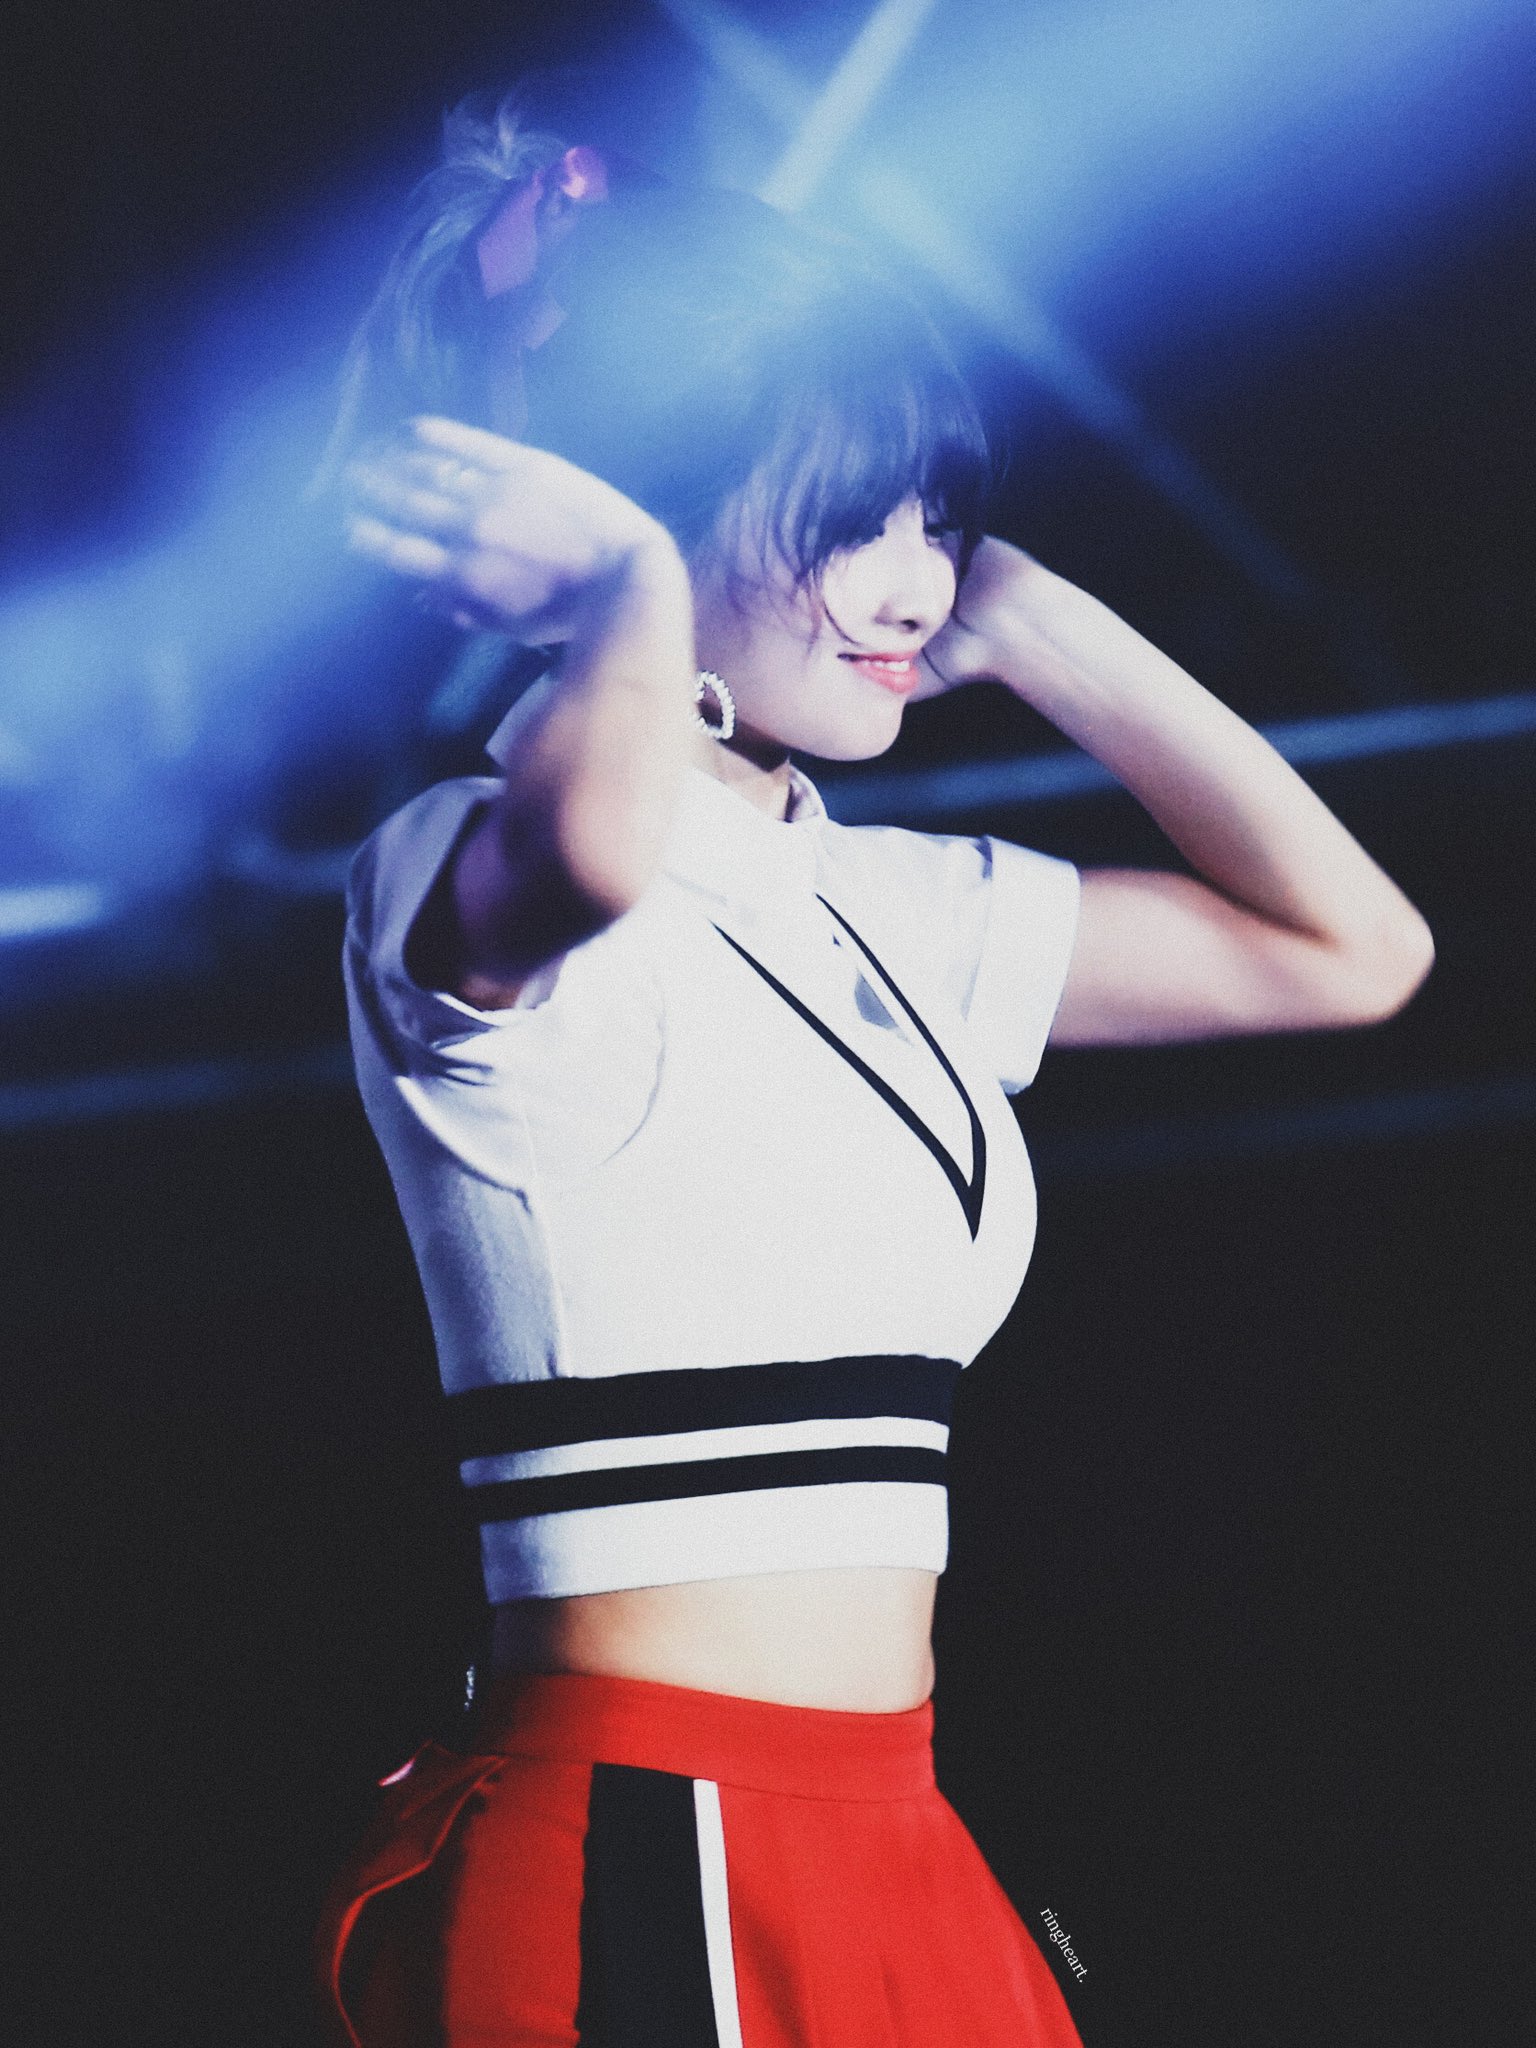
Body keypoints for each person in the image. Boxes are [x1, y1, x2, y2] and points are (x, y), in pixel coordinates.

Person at [315, 86, 1433, 2048]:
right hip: (652, 1830)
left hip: (898, 1825)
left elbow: (1357, 951)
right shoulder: (458, 856)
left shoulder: (880, 902)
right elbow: (590, 858)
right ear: (641, 519)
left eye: (934, 513)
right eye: (850, 518)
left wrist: (1039, 620)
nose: (914, 578)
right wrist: (625, 598)